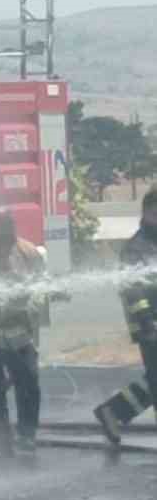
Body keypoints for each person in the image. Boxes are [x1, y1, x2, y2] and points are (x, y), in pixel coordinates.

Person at [0, 208, 48, 456]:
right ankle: (0, 434)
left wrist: (31, 310)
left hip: (20, 337)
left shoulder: (29, 252)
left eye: (8, 230)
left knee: (28, 384)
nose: (4, 238)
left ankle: (27, 434)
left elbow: (41, 288)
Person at [94, 186, 157, 445]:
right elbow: (134, 291)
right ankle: (112, 411)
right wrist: (147, 322)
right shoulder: (136, 248)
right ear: (147, 212)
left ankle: (112, 411)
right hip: (150, 326)